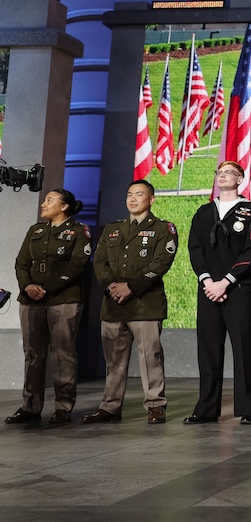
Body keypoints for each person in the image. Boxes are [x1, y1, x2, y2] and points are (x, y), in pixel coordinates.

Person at [83, 180, 178, 424]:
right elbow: (100, 261)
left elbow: (160, 264)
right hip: (113, 304)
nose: (133, 199)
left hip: (145, 305)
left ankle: (155, 406)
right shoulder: (113, 229)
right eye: (129, 194)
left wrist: (131, 287)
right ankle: (110, 407)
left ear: (151, 199)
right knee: (114, 361)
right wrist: (110, 286)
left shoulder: (163, 228)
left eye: (139, 194)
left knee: (150, 357)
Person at [183, 161, 251, 426]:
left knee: (243, 348)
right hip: (208, 290)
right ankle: (206, 408)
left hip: (238, 289)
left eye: (229, 173)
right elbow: (195, 247)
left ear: (240, 179)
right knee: (207, 349)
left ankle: (249, 407)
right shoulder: (204, 211)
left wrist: (226, 282)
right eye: (219, 173)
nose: (223, 176)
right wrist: (208, 280)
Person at [6, 189, 92, 425]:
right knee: (33, 354)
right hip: (31, 300)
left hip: (63, 299)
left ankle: (63, 407)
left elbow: (77, 265)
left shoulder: (79, 231)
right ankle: (30, 406)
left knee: (63, 354)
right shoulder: (36, 230)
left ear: (64, 207)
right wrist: (28, 286)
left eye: (50, 200)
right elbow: (21, 262)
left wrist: (45, 288)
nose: (43, 204)